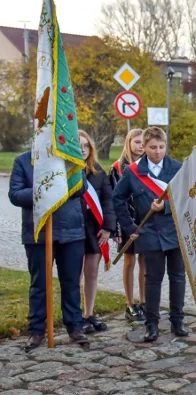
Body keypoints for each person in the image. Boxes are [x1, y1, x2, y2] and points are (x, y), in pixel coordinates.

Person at [112, 126, 186, 342]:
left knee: (178, 277)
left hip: (174, 230)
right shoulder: (133, 172)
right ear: (143, 147)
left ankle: (177, 321)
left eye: (162, 147)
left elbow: (187, 197)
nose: (158, 152)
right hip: (150, 232)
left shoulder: (177, 168)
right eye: (153, 147)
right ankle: (151, 324)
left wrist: (166, 208)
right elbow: (118, 199)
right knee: (152, 280)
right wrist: (130, 227)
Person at [8, 149, 88, 349]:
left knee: (71, 283)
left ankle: (75, 327)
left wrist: (62, 184)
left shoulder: (69, 158)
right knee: (39, 285)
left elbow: (81, 188)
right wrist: (44, 189)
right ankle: (36, 330)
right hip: (38, 234)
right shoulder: (23, 161)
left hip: (71, 233)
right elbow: (15, 194)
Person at [78, 130, 116, 335]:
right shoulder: (65, 171)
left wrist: (108, 228)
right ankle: (74, 317)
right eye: (78, 146)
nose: (83, 150)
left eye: (86, 146)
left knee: (91, 274)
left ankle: (88, 314)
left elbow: (108, 201)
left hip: (95, 230)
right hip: (73, 231)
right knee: (74, 276)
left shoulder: (99, 172)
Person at [110, 128, 147, 322]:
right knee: (130, 261)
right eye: (137, 142)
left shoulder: (149, 165)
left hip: (146, 220)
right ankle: (130, 303)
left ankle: (144, 301)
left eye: (143, 142)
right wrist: (120, 227)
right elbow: (115, 199)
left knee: (145, 261)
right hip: (127, 221)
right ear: (129, 142)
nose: (140, 146)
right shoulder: (118, 167)